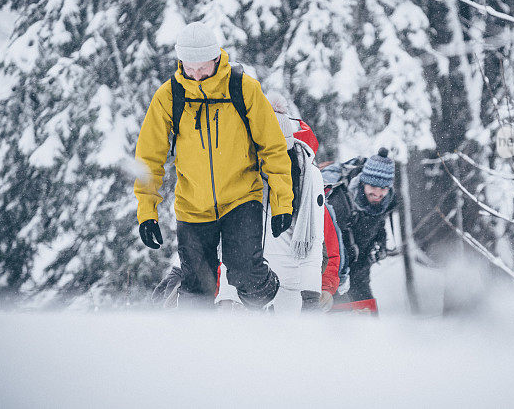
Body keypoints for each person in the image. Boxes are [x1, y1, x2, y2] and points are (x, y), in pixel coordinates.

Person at [134, 21, 293, 308]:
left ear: (217, 57)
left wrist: (283, 203)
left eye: (202, 68)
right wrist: (147, 212)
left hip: (241, 198)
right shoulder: (170, 96)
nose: (195, 76)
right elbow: (149, 158)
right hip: (193, 206)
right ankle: (198, 346)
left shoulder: (242, 88)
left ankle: (268, 314)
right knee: (198, 289)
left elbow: (273, 148)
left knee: (247, 276)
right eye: (189, 68)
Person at [214, 97, 340, 313]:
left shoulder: (307, 179)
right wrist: (226, 294)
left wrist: (311, 297)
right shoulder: (243, 176)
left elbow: (314, 244)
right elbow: (231, 244)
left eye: (277, 151)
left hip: (292, 290)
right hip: (247, 288)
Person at [322, 148, 398, 307]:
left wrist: (380, 243)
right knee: (340, 321)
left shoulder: (387, 199)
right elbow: (328, 243)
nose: (378, 193)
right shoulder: (339, 201)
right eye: (373, 186)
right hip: (336, 271)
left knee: (367, 319)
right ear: (363, 182)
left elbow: (379, 223)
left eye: (383, 188)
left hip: (361, 267)